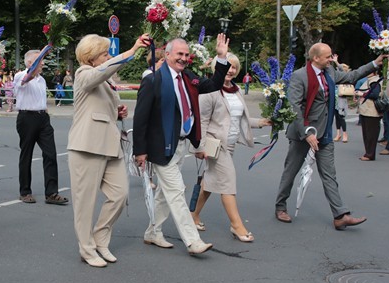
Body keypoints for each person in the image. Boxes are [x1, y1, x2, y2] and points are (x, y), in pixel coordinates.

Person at [133, 34, 230, 255]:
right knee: (176, 192)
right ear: (167, 55)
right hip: (161, 147)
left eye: (186, 55)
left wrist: (221, 57)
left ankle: (153, 232)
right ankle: (192, 241)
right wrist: (140, 150)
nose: (184, 58)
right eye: (179, 54)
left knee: (164, 194)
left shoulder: (188, 77)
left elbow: (213, 84)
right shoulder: (153, 80)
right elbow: (141, 118)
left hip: (182, 145)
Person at [274, 43, 386, 229]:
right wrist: (307, 132)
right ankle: (280, 207)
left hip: (324, 133)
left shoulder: (330, 73)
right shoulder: (299, 76)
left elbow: (352, 76)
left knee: (329, 175)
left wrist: (374, 63)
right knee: (291, 171)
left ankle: (340, 214)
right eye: (327, 57)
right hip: (304, 134)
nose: (331, 59)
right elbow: (294, 108)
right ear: (315, 58)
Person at [68, 33, 151, 267]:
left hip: (110, 144)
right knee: (85, 203)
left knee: (120, 194)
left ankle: (100, 239)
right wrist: (132, 50)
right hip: (87, 146)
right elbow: (98, 75)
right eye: (104, 53)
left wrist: (117, 111)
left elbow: (100, 106)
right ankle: (86, 248)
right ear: (91, 57)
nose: (108, 57)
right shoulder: (84, 73)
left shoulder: (104, 80)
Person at [191, 52, 269, 243]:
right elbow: (202, 121)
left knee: (209, 182)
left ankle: (192, 215)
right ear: (217, 68)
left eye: (234, 67)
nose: (230, 70)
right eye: (227, 66)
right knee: (228, 182)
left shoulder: (237, 90)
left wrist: (261, 122)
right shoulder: (209, 90)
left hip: (231, 144)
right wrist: (200, 147)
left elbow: (239, 119)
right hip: (215, 145)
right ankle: (236, 225)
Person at [13, 51, 69, 205]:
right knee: (27, 154)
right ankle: (25, 191)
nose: (43, 63)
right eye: (40, 60)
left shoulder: (42, 80)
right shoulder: (20, 76)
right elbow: (25, 79)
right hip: (27, 118)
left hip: (43, 118)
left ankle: (51, 193)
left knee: (50, 154)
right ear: (31, 62)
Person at [355, 72, 382, 161]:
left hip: (371, 112)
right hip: (366, 111)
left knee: (371, 134)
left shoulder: (374, 81)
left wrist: (362, 94)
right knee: (367, 134)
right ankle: (368, 153)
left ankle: (370, 154)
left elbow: (375, 94)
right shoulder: (370, 80)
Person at [333, 63, 350, 143]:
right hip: (335, 100)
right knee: (337, 117)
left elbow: (342, 71)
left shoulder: (344, 78)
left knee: (341, 117)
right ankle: (338, 134)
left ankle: (345, 134)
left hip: (341, 100)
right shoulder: (336, 78)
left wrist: (336, 62)